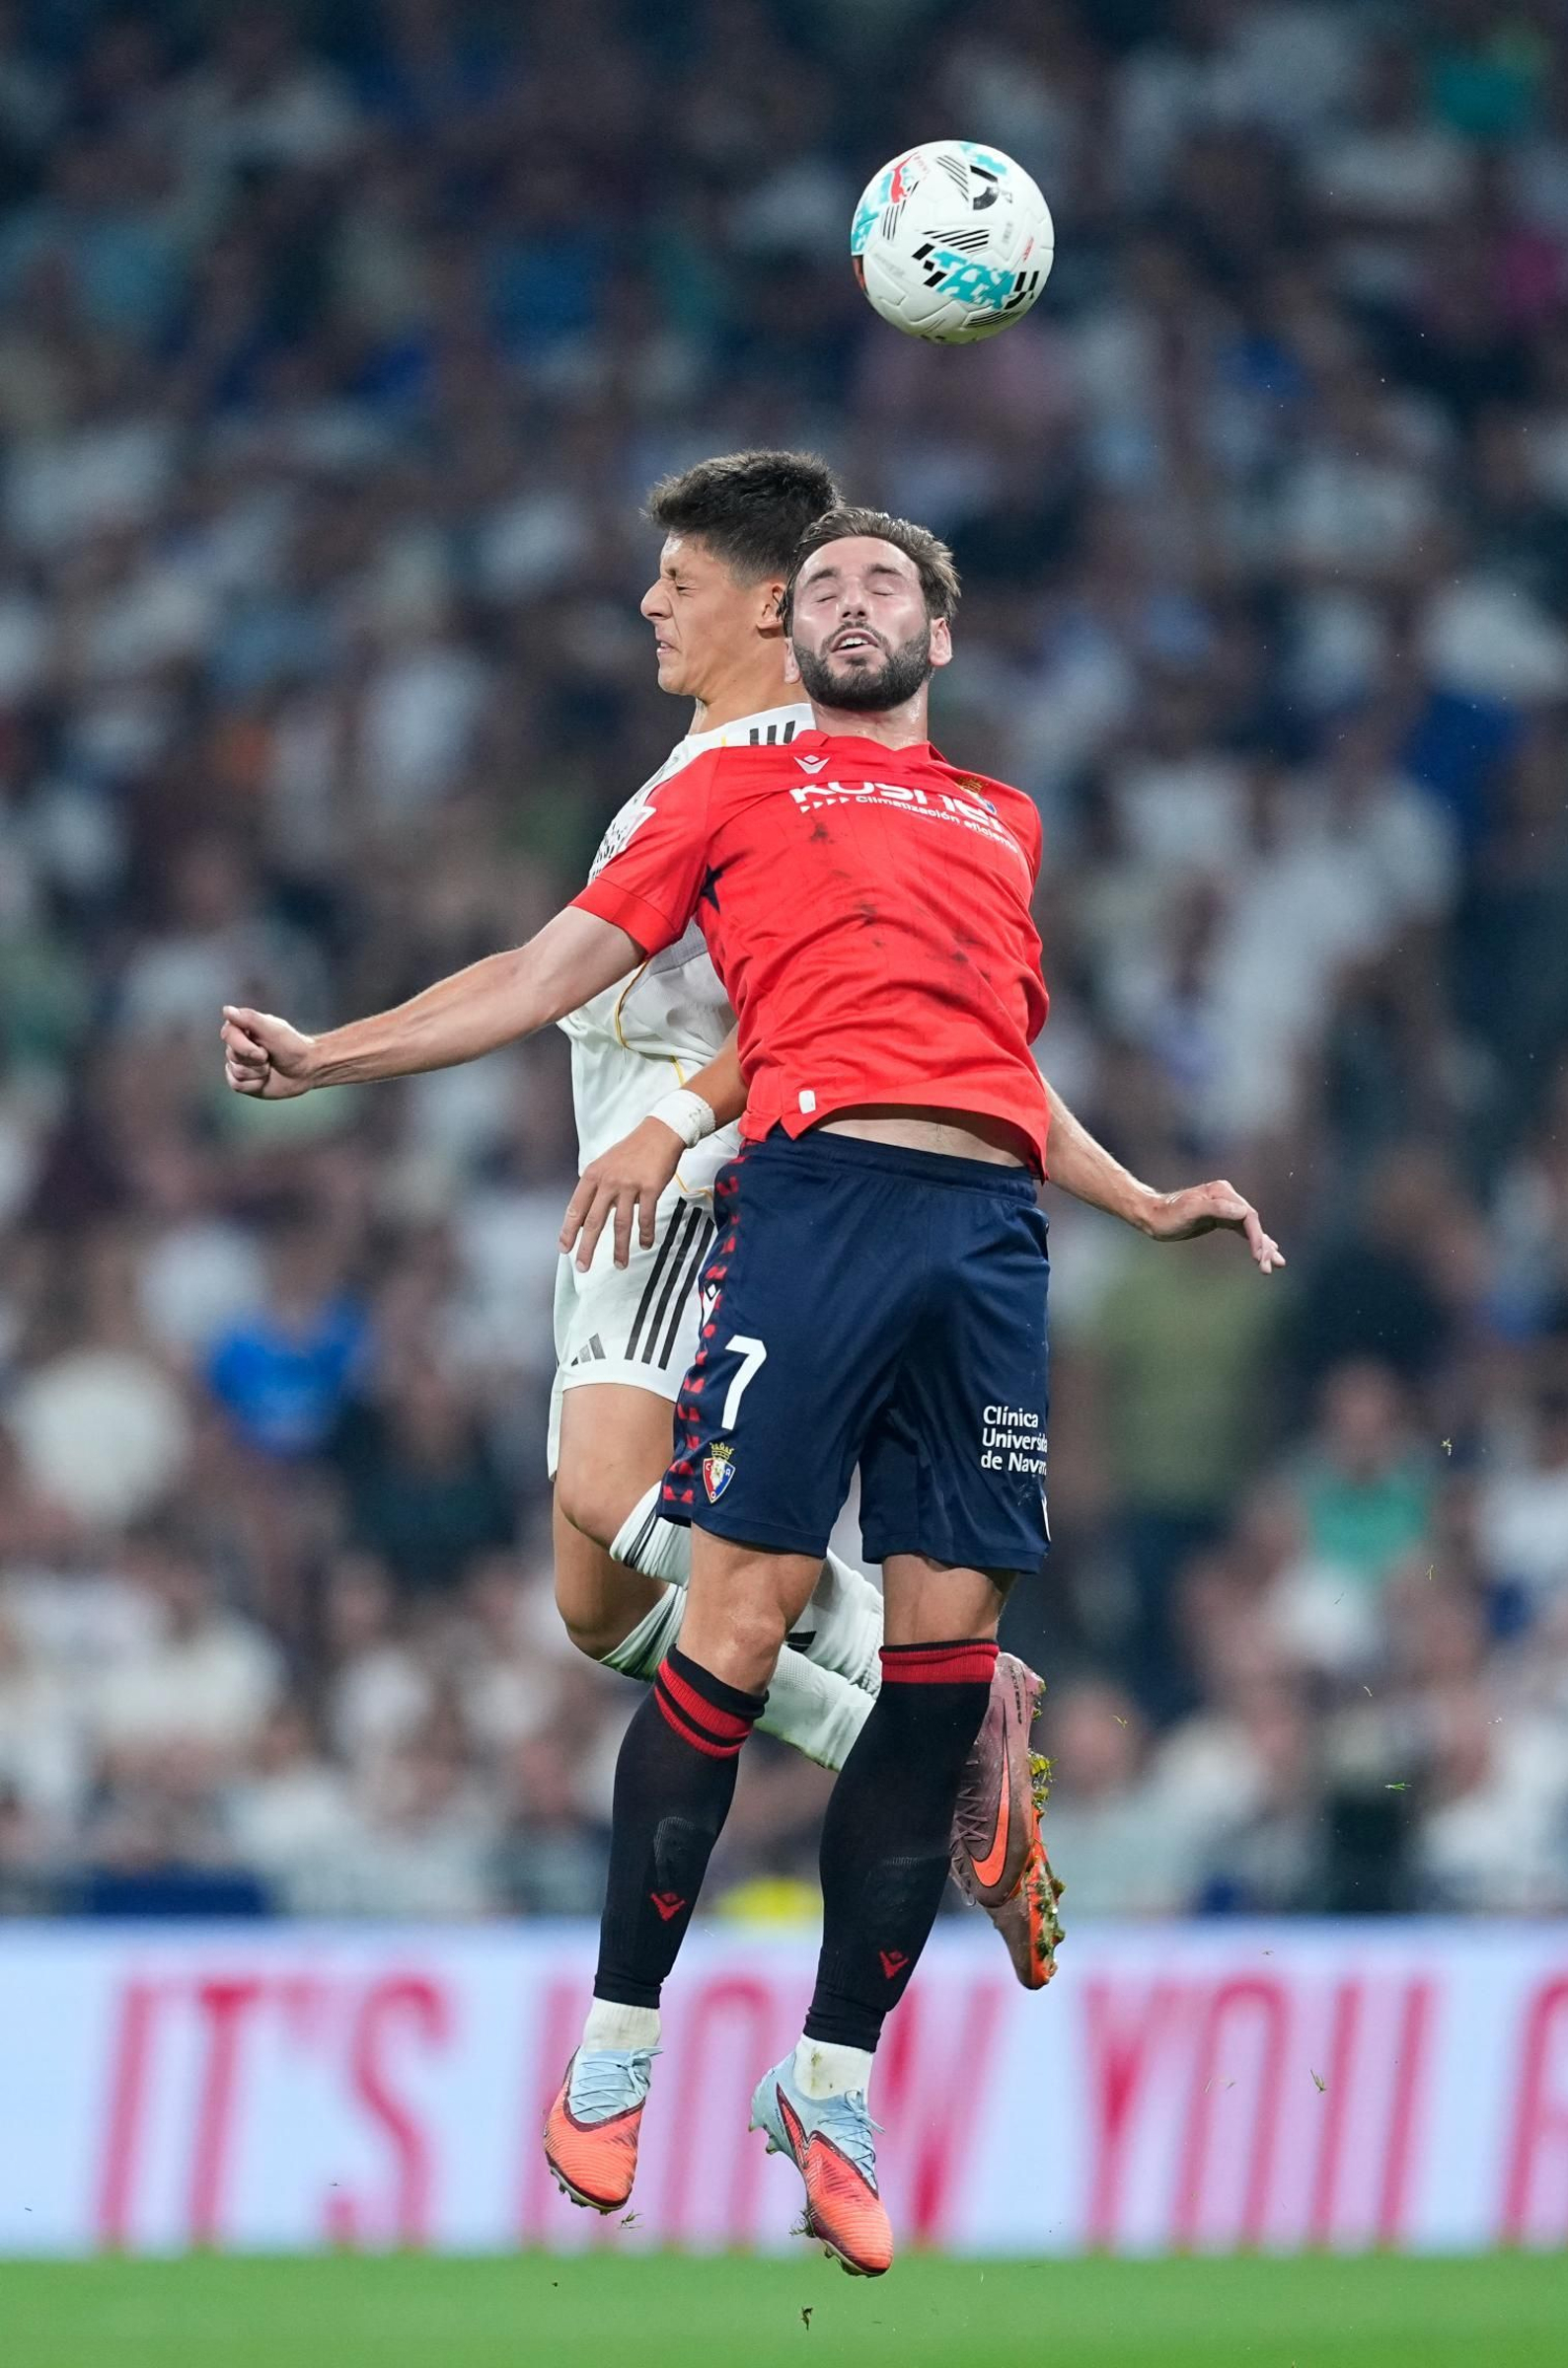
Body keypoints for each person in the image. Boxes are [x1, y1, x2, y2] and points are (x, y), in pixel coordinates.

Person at [222, 505, 1282, 2276]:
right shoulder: (731, 789)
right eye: (835, 584)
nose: (857, 606)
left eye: (893, 587)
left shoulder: (1003, 820)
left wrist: (1145, 1196)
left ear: (939, 640)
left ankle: (834, 2086)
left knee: (928, 1670)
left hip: (989, 1238)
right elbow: (556, 971)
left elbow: (1003, 1063)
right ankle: (617, 2051)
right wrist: (339, 1053)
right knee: (697, 1609)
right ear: (798, 630)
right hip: (815, 1207)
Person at [218, 454, 1060, 1999]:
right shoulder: (695, 776)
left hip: (723, 1197)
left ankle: (934, 1705)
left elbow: (628, 986)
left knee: (635, 1508)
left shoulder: (804, 780)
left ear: (762, 603)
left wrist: (338, 1056)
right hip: (622, 1192)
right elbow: (555, 971)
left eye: (676, 581)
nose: (648, 602)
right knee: (602, 1608)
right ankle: (934, 1709)